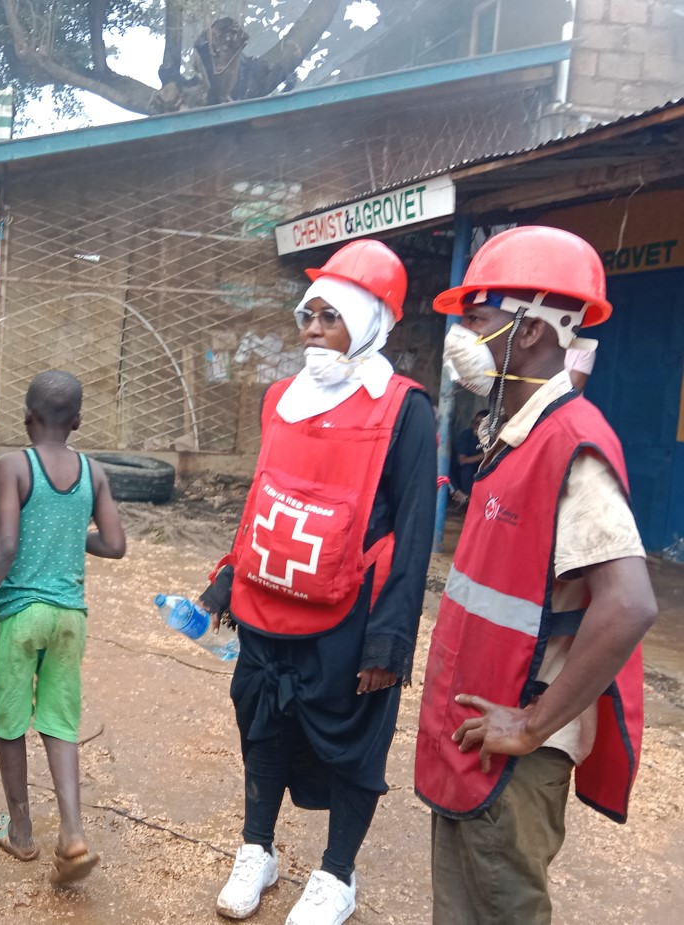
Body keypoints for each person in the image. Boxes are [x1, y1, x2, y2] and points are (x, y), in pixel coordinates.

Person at [416, 225, 656, 925]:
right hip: (479, 736)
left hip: (515, 755)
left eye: (477, 317)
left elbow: (630, 602)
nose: (462, 334)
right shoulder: (513, 434)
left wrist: (531, 725)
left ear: (526, 332)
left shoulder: (570, 444)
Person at [202, 240, 436, 924]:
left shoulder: (405, 410)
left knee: (353, 742)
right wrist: (226, 579)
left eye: (328, 316)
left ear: (365, 323)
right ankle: (258, 849)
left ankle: (338, 874)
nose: (310, 328)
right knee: (262, 727)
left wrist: (389, 640)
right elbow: (262, 497)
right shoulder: (282, 398)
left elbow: (417, 529)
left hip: (351, 613)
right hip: (268, 604)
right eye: (306, 315)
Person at [0, 370, 125, 884]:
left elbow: (4, 544)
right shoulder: (93, 471)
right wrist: (75, 538)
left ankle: (22, 831)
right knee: (59, 722)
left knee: (10, 723)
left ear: (26, 417)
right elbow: (116, 544)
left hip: (21, 615)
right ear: (76, 422)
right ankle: (73, 834)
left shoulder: (14, 465)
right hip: (70, 618)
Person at [449, 409, 488, 505]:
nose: (476, 426)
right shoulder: (467, 435)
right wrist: (484, 456)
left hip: (482, 473)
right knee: (466, 469)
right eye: (475, 423)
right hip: (464, 474)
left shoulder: (490, 437)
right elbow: (463, 460)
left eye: (480, 424)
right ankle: (467, 499)